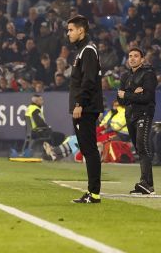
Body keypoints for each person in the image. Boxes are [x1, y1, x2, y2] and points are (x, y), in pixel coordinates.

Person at [67, 14, 104, 203]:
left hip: (86, 108)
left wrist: (79, 103)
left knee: (89, 150)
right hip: (85, 106)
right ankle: (92, 192)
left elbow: (88, 81)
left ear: (81, 30)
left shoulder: (88, 51)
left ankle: (94, 193)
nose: (69, 33)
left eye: (71, 29)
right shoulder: (83, 51)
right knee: (87, 149)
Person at [117, 46, 156, 194]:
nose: (132, 58)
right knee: (139, 149)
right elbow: (119, 100)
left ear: (142, 59)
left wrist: (127, 94)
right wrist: (134, 93)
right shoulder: (125, 76)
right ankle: (147, 184)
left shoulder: (148, 75)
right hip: (130, 115)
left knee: (142, 145)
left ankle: (146, 183)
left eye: (136, 56)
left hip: (144, 114)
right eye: (130, 56)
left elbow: (147, 97)